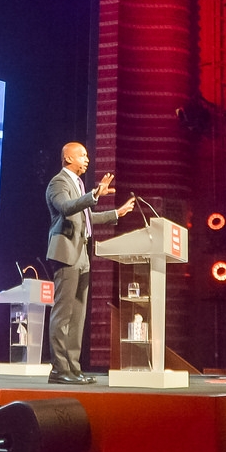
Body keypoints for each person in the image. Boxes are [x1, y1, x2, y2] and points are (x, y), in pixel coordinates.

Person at [42, 141, 135, 384]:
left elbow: (86, 216)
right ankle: (59, 369)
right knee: (63, 314)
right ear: (67, 157)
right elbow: (66, 207)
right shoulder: (59, 183)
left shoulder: (78, 183)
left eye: (87, 155)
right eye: (82, 155)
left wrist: (117, 213)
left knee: (78, 316)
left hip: (82, 254)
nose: (87, 159)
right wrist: (94, 194)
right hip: (66, 254)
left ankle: (73, 368)